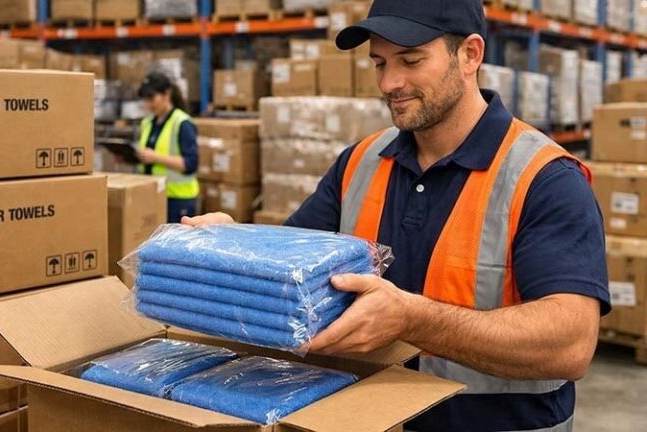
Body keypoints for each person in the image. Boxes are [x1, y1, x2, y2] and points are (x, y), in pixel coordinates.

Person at [183, 1, 610, 431]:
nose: (390, 82)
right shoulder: (361, 162)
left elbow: (570, 344)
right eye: (379, 63)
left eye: (410, 60)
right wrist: (235, 241)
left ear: (470, 55)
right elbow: (293, 259)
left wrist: (411, 320)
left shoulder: (544, 178)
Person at [135, 72, 200, 223]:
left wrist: (155, 157)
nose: (148, 104)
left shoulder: (182, 123)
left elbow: (191, 164)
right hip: (152, 195)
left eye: (152, 98)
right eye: (145, 100)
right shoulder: (147, 123)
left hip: (178, 199)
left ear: (167, 94)